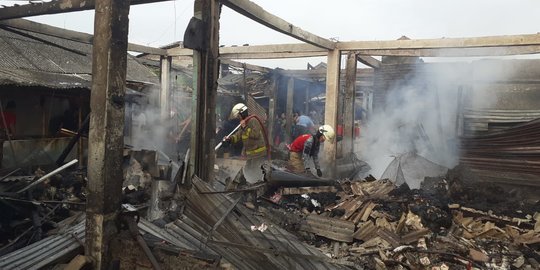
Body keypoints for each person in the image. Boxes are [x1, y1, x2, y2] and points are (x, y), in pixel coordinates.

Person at [223, 103, 267, 184]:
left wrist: (245, 127)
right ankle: (250, 185)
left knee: (256, 172)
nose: (238, 118)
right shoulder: (244, 123)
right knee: (247, 171)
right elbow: (238, 135)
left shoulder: (253, 120)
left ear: (242, 113)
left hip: (258, 153)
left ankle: (257, 187)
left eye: (239, 116)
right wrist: (230, 139)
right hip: (250, 154)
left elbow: (256, 134)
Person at [0, 101, 16, 168]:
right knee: (4, 153)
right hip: (5, 138)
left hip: (2, 136)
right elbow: (11, 127)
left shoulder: (1, 114)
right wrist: (15, 136)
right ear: (12, 108)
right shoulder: (11, 115)